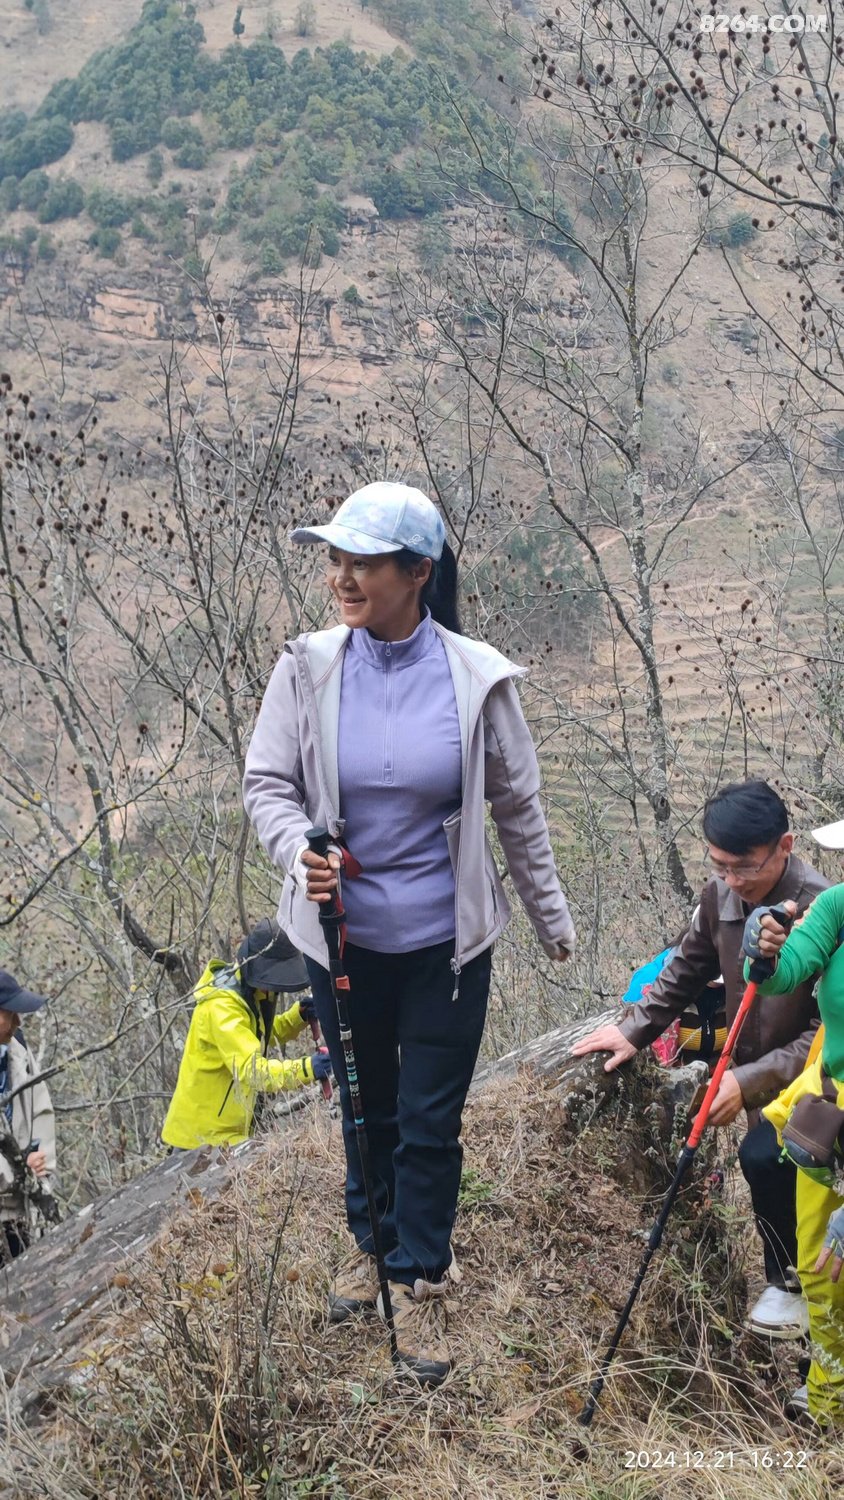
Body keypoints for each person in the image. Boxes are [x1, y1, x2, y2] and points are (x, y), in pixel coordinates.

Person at [242, 480, 576, 1385]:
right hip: (338, 938)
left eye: (363, 563)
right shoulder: (306, 668)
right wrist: (298, 852)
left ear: (418, 572)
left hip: (446, 944)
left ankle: (419, 1274)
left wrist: (549, 918)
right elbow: (267, 783)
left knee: (428, 1117)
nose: (341, 578)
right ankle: (374, 1246)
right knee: (364, 1106)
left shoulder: (476, 677)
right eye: (335, 560)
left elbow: (517, 806)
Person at [571, 780, 827, 1339]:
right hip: (760, 1081)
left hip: (818, 1083)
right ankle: (794, 1300)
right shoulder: (721, 898)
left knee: (770, 1161)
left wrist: (747, 1080)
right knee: (771, 1172)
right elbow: (685, 968)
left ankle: (797, 1295)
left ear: (785, 846)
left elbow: (827, 1031)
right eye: (719, 866)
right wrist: (634, 1030)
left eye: (744, 866)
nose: (732, 881)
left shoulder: (823, 909)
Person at [744, 814, 844, 1424]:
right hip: (831, 1112)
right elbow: (785, 971)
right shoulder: (836, 907)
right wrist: (764, 946)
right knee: (822, 1265)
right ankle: (829, 1399)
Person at [161, 919, 332, 1151]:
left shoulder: (249, 992)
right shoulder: (222, 1008)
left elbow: (259, 1035)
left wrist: (298, 1016)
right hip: (199, 1139)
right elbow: (254, 1071)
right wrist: (308, 1068)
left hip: (227, 1135)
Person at [0, 969, 57, 1262]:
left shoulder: (18, 1048)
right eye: (10, 1013)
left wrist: (40, 1168)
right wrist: (18, 1170)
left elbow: (41, 1109)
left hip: (17, 1212)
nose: (17, 1022)